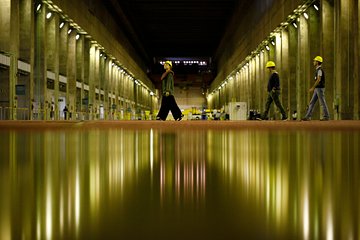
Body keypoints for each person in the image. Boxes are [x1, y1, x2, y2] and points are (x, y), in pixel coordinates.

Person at [302, 56, 330, 121]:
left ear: (317, 62)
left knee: (322, 103)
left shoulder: (319, 70)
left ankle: (326, 116)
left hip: (319, 89)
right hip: (317, 89)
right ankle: (308, 116)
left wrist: (313, 87)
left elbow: (318, 79)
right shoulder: (318, 70)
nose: (313, 62)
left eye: (314, 61)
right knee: (312, 102)